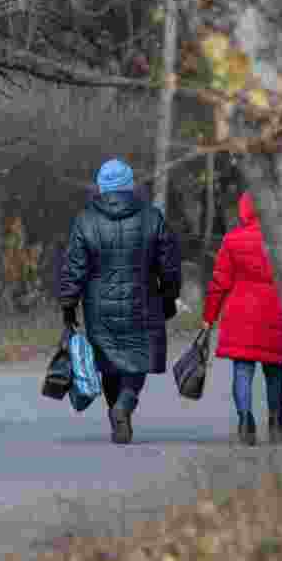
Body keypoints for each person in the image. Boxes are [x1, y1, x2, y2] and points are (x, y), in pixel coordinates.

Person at [58, 159, 182, 444]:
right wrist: (169, 296)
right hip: (143, 301)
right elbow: (169, 264)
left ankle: (116, 412)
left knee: (109, 361)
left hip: (99, 306)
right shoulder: (152, 217)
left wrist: (68, 303)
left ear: (101, 187)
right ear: (130, 186)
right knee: (136, 359)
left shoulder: (86, 220)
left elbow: (74, 266)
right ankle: (124, 405)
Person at [201, 191, 282, 446]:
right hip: (274, 313)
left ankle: (245, 422)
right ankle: (276, 423)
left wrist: (209, 317)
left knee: (242, 371)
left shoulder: (232, 240)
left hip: (240, 314)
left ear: (244, 210)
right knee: (274, 372)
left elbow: (219, 282)